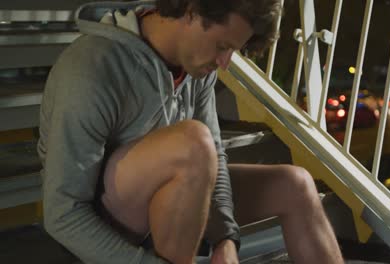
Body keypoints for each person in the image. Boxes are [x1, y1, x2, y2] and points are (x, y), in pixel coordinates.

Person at [37, 0, 344, 263]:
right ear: (191, 11)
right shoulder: (92, 67)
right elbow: (63, 214)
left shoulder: (196, 67)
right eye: (222, 46)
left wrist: (226, 237)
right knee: (193, 144)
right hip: (103, 228)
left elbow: (215, 157)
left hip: (175, 196)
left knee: (296, 185)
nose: (225, 63)